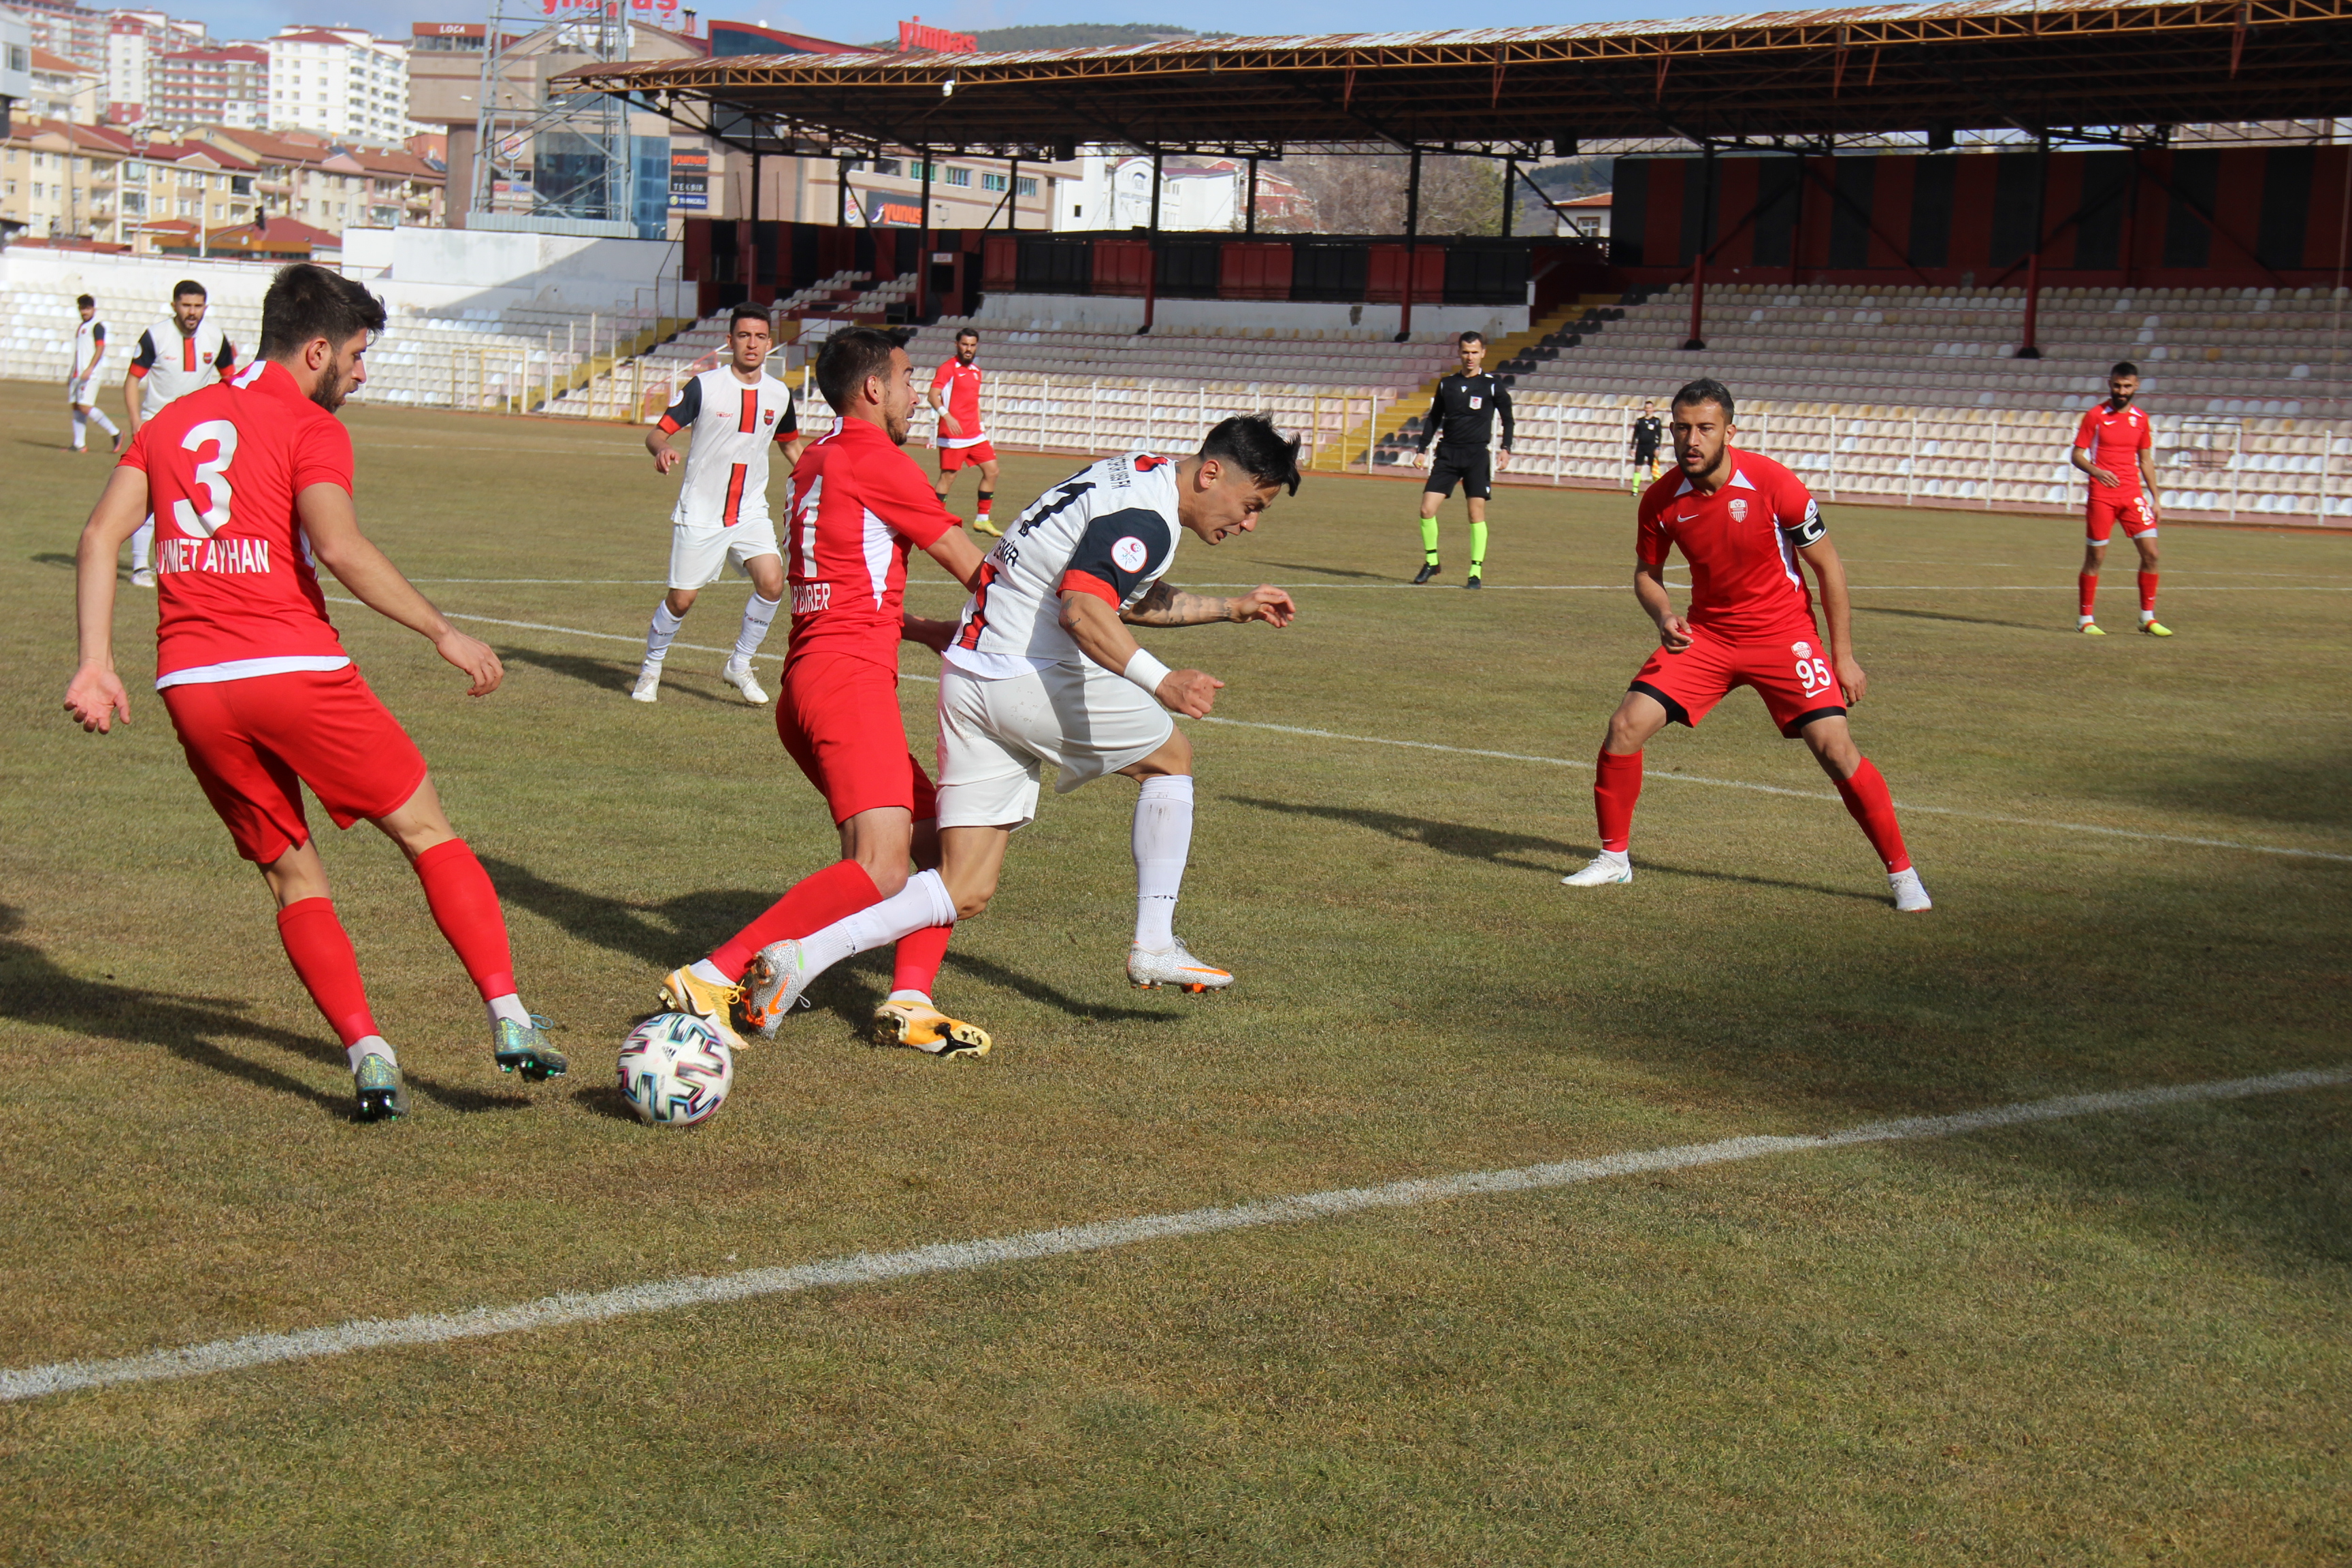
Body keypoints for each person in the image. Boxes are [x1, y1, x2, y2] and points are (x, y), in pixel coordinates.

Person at [63, 262, 565, 1122]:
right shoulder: (308, 426)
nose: (362, 374)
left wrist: (95, 663)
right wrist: (443, 631)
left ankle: (367, 1053)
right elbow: (337, 546)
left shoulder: (173, 420)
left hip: (192, 685)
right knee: (424, 829)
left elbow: (101, 534)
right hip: (292, 668)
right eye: (359, 356)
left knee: (296, 880)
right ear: (319, 349)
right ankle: (510, 1017)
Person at [730, 416, 1303, 1029]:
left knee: (964, 886)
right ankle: (1155, 943)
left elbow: (1119, 590)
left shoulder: (1134, 474)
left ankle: (799, 957)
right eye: (1250, 505)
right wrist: (1163, 681)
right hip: (1023, 677)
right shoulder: (1150, 518)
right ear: (1211, 473)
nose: (1249, 523)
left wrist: (1229, 608)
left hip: (969, 677)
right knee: (1172, 759)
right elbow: (1085, 608)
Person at [658, 327, 994, 1057]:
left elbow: (836, 578)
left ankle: (908, 1000)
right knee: (883, 865)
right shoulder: (882, 462)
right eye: (907, 382)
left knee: (937, 835)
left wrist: (916, 628)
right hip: (847, 682)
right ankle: (715, 974)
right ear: (874, 389)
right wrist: (1083, 607)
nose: (917, 397)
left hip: (809, 682)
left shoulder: (818, 458)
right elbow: (981, 573)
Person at [1560, 378, 1931, 913]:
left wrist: (1842, 656)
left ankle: (1903, 875)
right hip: (1707, 637)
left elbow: (1829, 569)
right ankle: (1614, 861)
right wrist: (1664, 614)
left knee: (1835, 749)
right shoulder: (1662, 499)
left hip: (1785, 636)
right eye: (1682, 428)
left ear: (1729, 431)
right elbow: (1646, 573)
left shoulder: (1775, 483)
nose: (1692, 440)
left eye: (1705, 428)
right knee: (1625, 726)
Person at [633, 303, 807, 704]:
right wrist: (662, 450)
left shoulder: (779, 394)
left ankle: (740, 664)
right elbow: (656, 434)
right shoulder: (704, 387)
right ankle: (651, 669)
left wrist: (821, 480)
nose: (752, 344)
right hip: (702, 511)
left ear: (769, 343)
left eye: (760, 337)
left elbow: (791, 446)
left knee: (772, 582)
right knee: (682, 600)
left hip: (750, 510)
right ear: (729, 341)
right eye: (744, 336)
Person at [122, 279, 238, 588]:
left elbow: (231, 383)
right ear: (174, 305)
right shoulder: (156, 336)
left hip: (194, 435)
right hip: (154, 427)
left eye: (198, 306)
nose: (192, 312)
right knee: (147, 497)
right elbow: (132, 381)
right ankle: (139, 567)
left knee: (193, 498)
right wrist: (136, 422)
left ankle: (181, 564)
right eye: (186, 305)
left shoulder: (216, 337)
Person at [2072, 361, 2169, 637]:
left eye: (2127, 386)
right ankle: (2085, 619)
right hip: (2102, 497)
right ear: (2109, 384)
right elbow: (2077, 455)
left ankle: (2147, 618)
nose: (2122, 391)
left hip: (2132, 495)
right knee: (2096, 558)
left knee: (2152, 554)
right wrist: (2097, 471)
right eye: (2117, 385)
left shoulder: (2142, 419)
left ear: (2136, 386)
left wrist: (2156, 497)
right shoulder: (2096, 416)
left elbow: (2146, 459)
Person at [1412, 330, 1513, 589]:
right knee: (1426, 509)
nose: (1470, 357)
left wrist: (1506, 448)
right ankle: (1432, 562)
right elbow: (1434, 418)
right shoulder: (1447, 384)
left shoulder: (1492, 384)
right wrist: (1422, 449)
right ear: (1459, 353)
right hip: (1448, 454)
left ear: (1483, 353)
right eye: (1466, 352)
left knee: (1475, 514)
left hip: (1477, 456)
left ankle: (1475, 572)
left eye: (1475, 352)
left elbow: (1508, 418)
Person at [929, 327, 1001, 537]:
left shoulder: (977, 371)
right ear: (957, 345)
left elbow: (973, 401)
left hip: (975, 434)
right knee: (948, 478)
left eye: (972, 345)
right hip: (953, 436)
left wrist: (981, 426)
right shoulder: (947, 369)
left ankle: (982, 520)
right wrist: (947, 416)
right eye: (964, 344)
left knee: (992, 471)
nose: (968, 349)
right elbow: (933, 396)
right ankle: (933, 521)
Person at [67, 294, 122, 455]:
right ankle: (79, 444)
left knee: (85, 407)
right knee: (76, 406)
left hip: (90, 374)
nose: (84, 312)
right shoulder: (81, 327)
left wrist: (90, 368)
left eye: (87, 308)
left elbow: (100, 348)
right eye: (82, 309)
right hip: (77, 374)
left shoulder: (97, 327)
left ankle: (115, 432)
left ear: (93, 309)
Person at [1627, 399, 1663, 492]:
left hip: (1652, 447)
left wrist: (1658, 447)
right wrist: (1632, 448)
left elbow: (1659, 435)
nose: (1648, 410)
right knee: (1638, 467)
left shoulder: (1656, 421)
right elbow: (1635, 435)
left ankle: (1656, 491)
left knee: (1653, 468)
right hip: (1641, 447)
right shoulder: (1640, 421)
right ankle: (1635, 490)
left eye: (1649, 408)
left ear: (1653, 409)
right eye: (1646, 408)